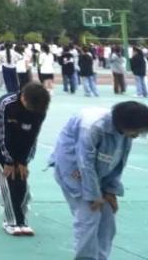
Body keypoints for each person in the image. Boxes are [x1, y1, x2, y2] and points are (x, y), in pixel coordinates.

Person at [50, 101, 148, 260]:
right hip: (73, 168)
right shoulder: (93, 127)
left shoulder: (125, 133)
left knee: (108, 217)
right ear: (126, 124)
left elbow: (118, 162)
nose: (138, 134)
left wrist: (110, 191)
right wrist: (94, 195)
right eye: (137, 130)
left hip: (96, 171)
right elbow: (85, 163)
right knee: (89, 216)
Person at [0, 82, 50, 236]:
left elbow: (33, 137)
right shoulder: (6, 104)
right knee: (6, 185)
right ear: (23, 97)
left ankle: (22, 221)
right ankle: (10, 222)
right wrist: (8, 161)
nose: (32, 112)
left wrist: (23, 161)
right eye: (30, 107)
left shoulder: (39, 108)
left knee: (21, 183)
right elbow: (0, 135)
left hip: (21, 149)